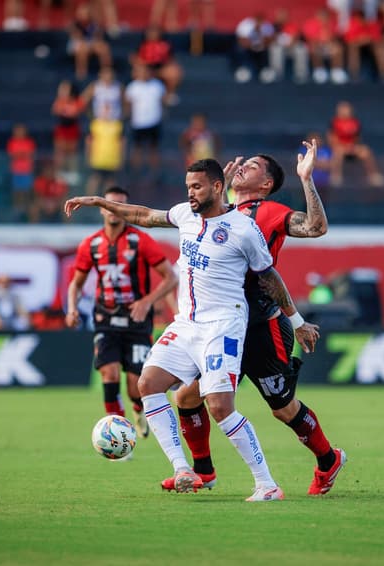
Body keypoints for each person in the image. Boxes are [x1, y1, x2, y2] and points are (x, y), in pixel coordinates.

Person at [64, 158, 319, 500]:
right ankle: (183, 469)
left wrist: (297, 321)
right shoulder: (185, 214)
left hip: (223, 326)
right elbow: (143, 216)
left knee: (220, 408)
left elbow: (269, 277)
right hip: (187, 323)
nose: (191, 194)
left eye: (197, 187)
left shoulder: (243, 229)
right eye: (188, 187)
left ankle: (267, 484)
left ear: (217, 187)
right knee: (148, 384)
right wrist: (99, 202)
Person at [159, 141, 347, 496]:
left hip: (261, 325)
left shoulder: (270, 211)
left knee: (282, 407)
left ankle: (328, 459)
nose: (246, 164)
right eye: (246, 161)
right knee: (187, 397)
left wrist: (306, 179)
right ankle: (203, 472)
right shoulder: (214, 210)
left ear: (265, 184)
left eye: (257, 165)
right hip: (218, 326)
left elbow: (315, 227)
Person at [66, 186, 178, 438]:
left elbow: (170, 278)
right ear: (103, 210)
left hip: (136, 321)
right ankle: (116, 432)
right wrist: (72, 308)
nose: (115, 210)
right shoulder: (91, 244)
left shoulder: (141, 240)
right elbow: (76, 282)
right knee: (109, 371)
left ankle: (138, 409)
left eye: (121, 205)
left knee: (135, 386)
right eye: (110, 204)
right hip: (105, 318)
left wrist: (147, 301)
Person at [327, 100, 384, 187]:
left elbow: (357, 138)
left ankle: (373, 176)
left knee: (366, 151)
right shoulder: (335, 122)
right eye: (343, 109)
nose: (345, 111)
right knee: (338, 152)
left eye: (347, 109)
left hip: (352, 147)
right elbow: (331, 138)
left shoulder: (355, 122)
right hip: (340, 148)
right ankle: (336, 177)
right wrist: (342, 146)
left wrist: (352, 146)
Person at [124, 62, 167, 178]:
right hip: (138, 122)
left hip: (154, 122)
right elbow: (128, 104)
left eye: (146, 71)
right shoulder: (132, 87)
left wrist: (162, 115)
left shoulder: (157, 85)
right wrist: (129, 117)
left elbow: (163, 101)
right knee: (137, 148)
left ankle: (155, 174)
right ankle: (135, 173)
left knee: (154, 149)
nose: (143, 73)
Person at [84, 102, 125, 197]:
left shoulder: (117, 125)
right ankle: (89, 202)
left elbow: (122, 143)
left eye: (108, 110)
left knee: (110, 181)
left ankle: (107, 203)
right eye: (104, 110)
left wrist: (121, 157)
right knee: (95, 179)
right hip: (98, 158)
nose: (106, 112)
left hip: (112, 159)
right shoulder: (95, 124)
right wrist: (88, 155)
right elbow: (89, 141)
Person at [6, 123, 37, 215]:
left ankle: (26, 210)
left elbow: (30, 155)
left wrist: (20, 155)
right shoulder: (11, 142)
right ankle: (17, 209)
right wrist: (22, 154)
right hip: (16, 171)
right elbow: (12, 155)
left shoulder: (29, 142)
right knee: (17, 192)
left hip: (27, 170)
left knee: (27, 192)